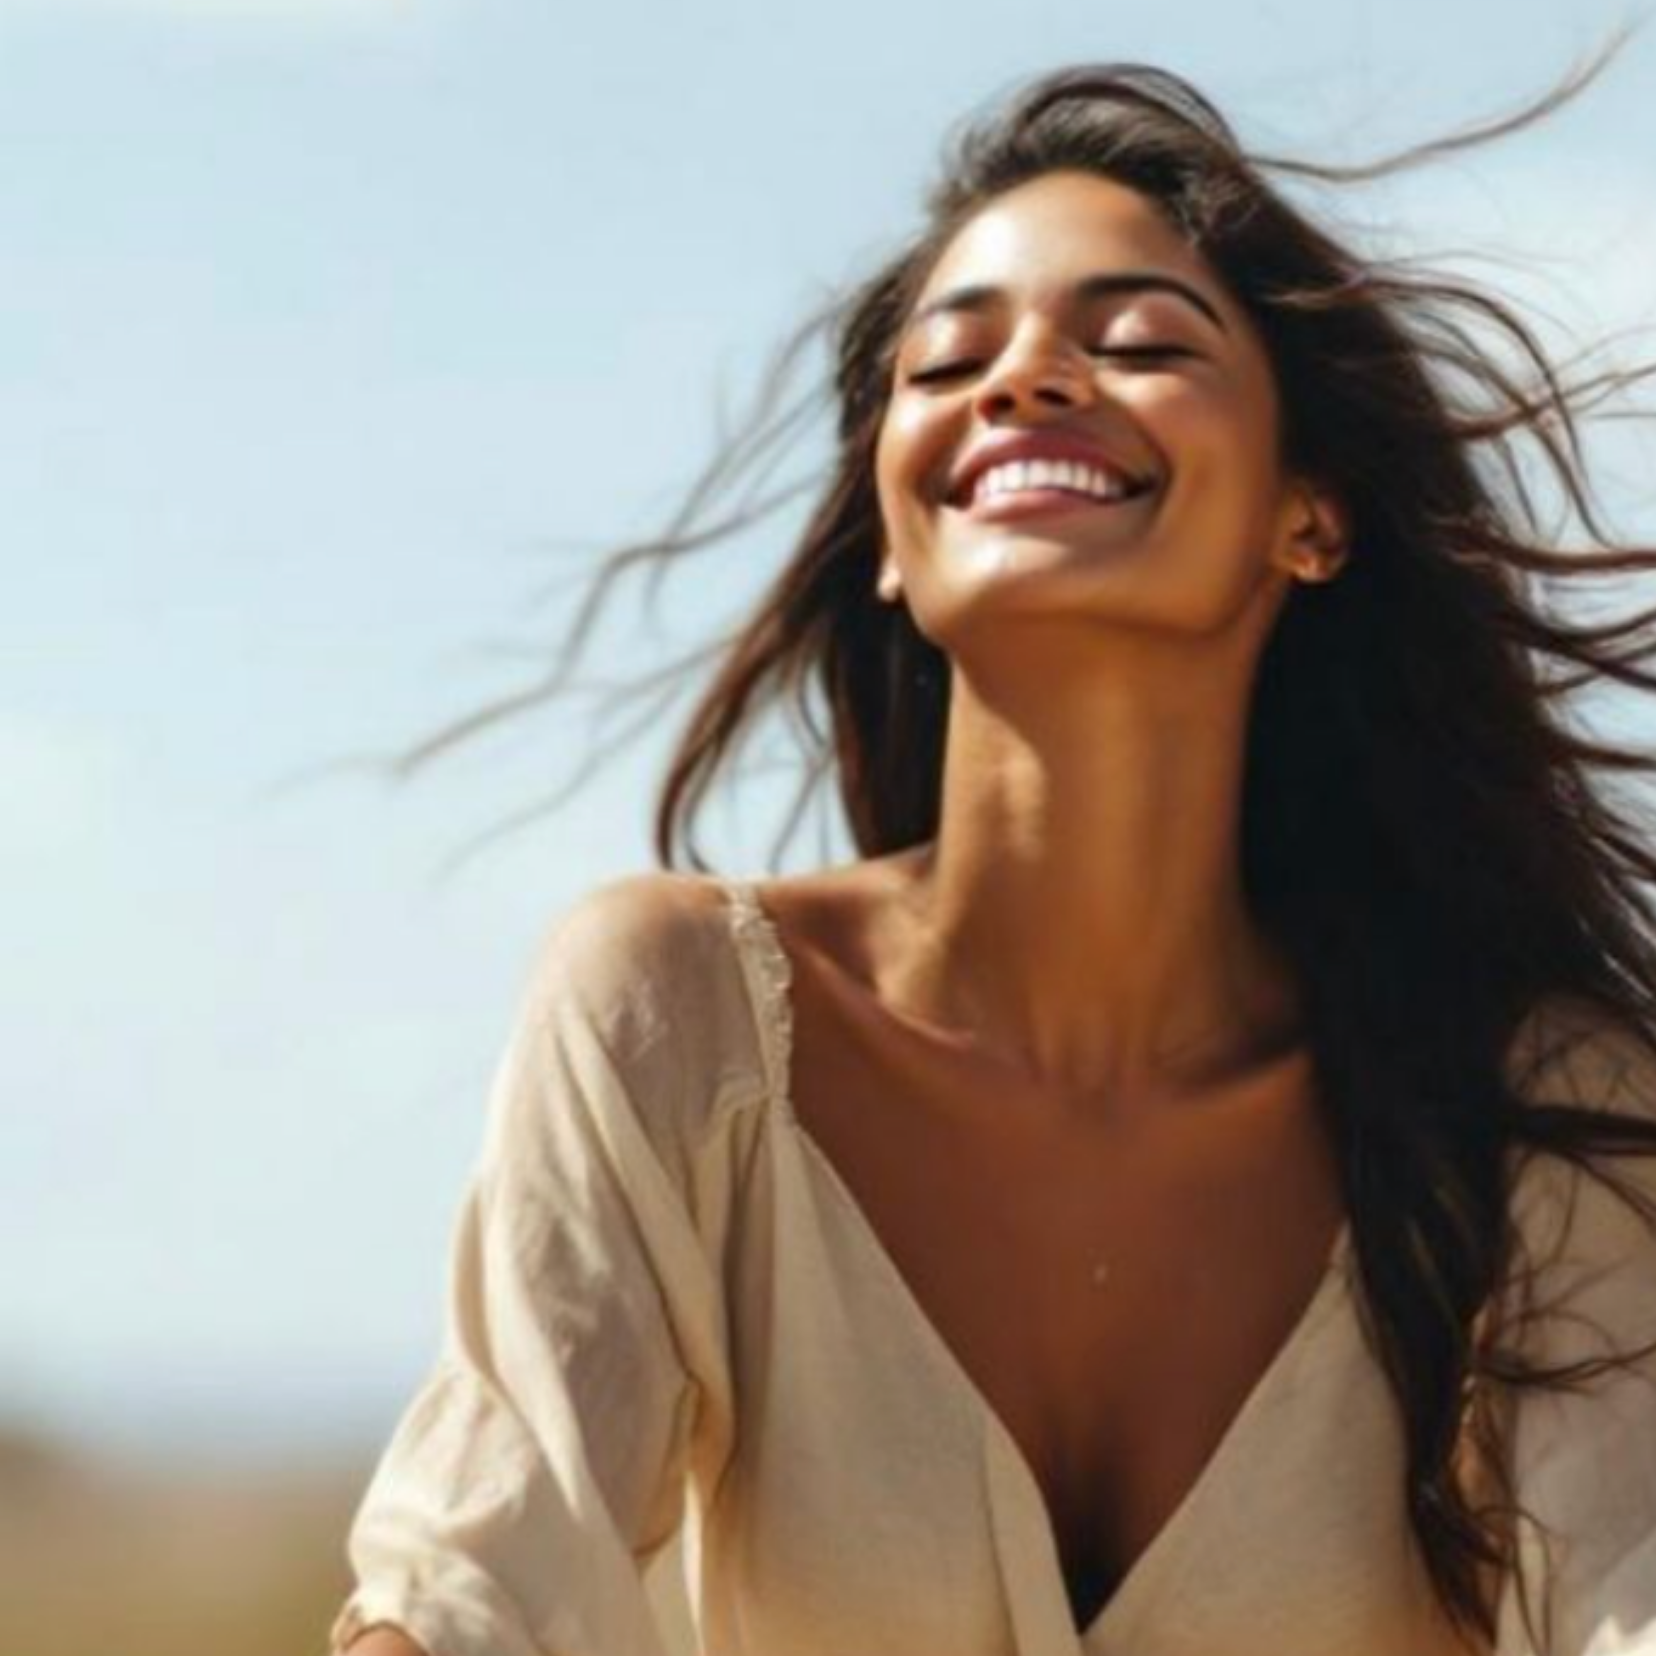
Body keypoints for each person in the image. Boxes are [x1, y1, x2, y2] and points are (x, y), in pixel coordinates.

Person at [329, 43, 1656, 1656]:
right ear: (892, 533)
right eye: (949, 365)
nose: (1023, 380)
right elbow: (475, 1590)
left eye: (1141, 340)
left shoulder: (1537, 1108)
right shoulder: (682, 1018)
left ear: (1310, 514)